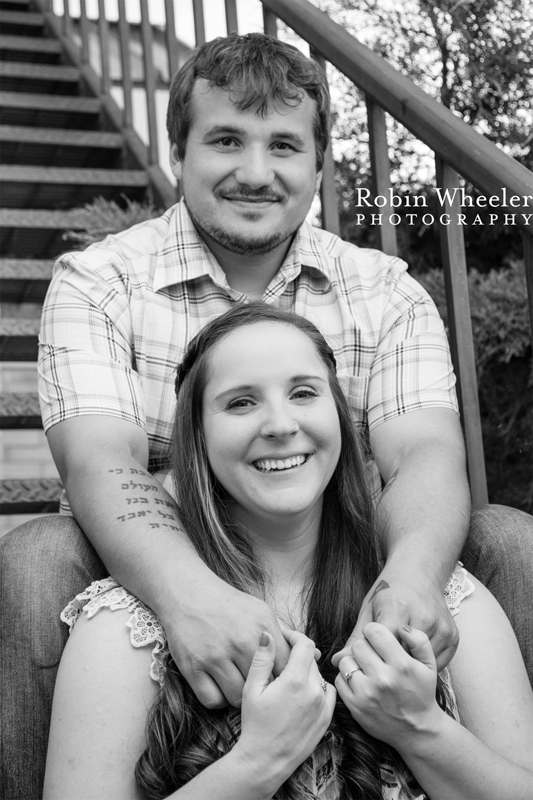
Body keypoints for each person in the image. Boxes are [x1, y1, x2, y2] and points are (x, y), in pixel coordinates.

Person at [1, 31, 532, 800]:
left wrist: (411, 584)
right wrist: (190, 598)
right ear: (178, 149)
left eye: (283, 145)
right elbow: (101, 463)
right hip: (156, 558)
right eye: (225, 140)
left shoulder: (382, 289)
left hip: (335, 556)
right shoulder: (101, 280)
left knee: (506, 541)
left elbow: (422, 457)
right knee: (36, 557)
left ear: (317, 164)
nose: (255, 172)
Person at [43, 304, 533, 800]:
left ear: (338, 418)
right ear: (199, 439)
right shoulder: (126, 626)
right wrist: (256, 763)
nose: (280, 424)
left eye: (303, 393)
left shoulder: (440, 601)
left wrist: (422, 729)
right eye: (240, 403)